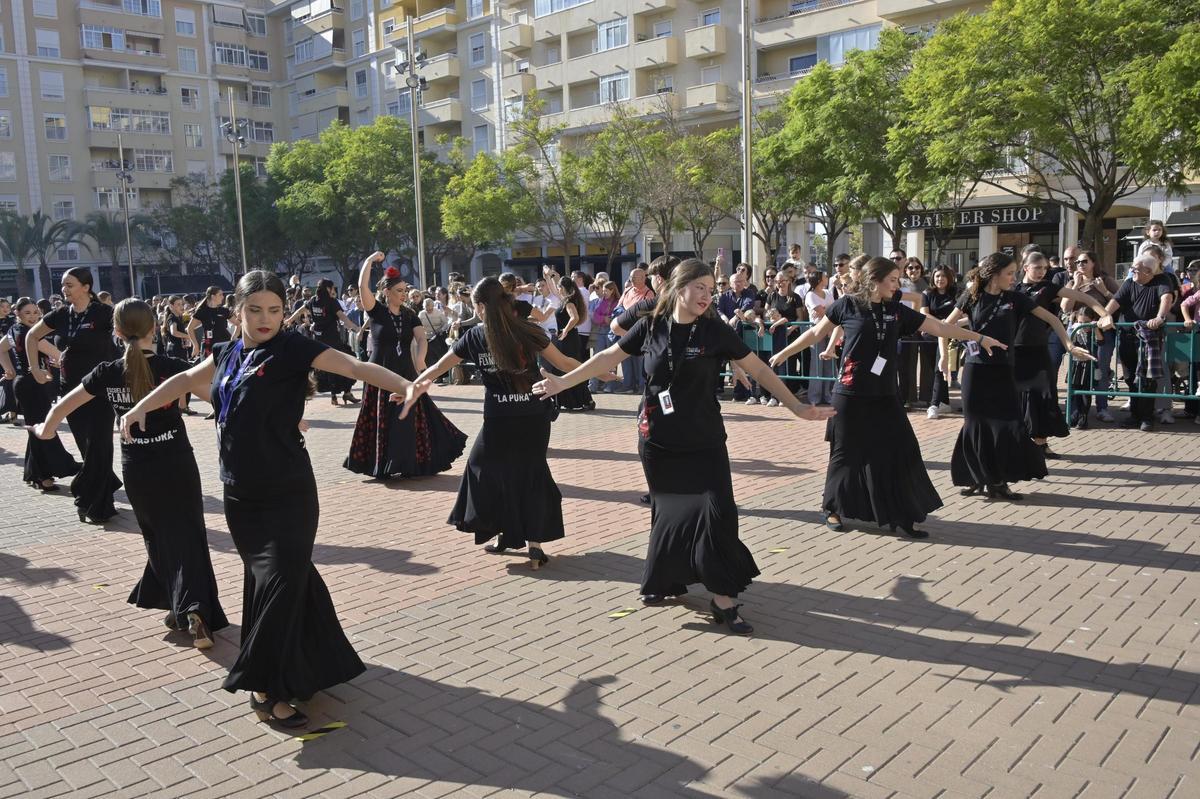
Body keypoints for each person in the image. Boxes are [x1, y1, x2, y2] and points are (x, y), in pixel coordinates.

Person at [120, 270, 429, 729]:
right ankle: (317, 661)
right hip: (241, 495)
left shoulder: (292, 348)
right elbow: (184, 378)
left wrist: (405, 384)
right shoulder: (225, 354)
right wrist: (139, 406)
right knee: (279, 581)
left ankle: (265, 684)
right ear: (236, 312)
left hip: (288, 492)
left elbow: (356, 367)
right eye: (255, 309)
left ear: (285, 312)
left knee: (281, 580)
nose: (266, 319)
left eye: (275, 310)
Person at [534, 259, 835, 634]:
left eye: (712, 290)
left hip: (705, 439)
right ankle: (667, 580)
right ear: (679, 288)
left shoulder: (713, 331)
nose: (708, 296)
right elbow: (607, 357)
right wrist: (564, 383)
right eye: (700, 289)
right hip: (658, 440)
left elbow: (757, 368)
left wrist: (797, 406)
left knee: (719, 512)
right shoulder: (650, 326)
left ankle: (724, 599)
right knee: (670, 513)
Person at [32, 299, 228, 650]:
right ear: (154, 328)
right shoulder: (171, 367)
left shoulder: (107, 371)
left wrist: (43, 431)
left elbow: (62, 407)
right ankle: (194, 609)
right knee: (188, 534)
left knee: (156, 537)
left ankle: (183, 605)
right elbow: (220, 399)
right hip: (176, 462)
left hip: (137, 468)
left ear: (117, 332)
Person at [771, 257, 1006, 538]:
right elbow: (815, 332)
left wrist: (978, 337)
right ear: (874, 281)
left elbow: (940, 327)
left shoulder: (897, 311)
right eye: (893, 280)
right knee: (845, 454)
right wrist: (785, 353)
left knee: (902, 450)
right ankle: (832, 507)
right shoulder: (847, 304)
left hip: (884, 394)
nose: (897, 286)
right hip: (849, 393)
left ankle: (901, 514)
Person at [415, 277, 595, 568]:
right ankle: (525, 541)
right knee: (529, 473)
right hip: (532, 416)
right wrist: (599, 369)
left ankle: (512, 535)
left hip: (501, 417)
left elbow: (437, 368)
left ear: (482, 306)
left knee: (489, 472)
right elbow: (563, 363)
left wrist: (412, 387)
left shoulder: (476, 336)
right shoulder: (526, 330)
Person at [942, 253, 1096, 500]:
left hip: (1003, 370)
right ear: (994, 274)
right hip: (975, 369)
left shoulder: (1016, 299)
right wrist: (942, 356)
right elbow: (945, 327)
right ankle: (976, 478)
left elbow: (1053, 318)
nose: (1014, 278)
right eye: (1010, 273)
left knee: (1008, 424)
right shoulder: (971, 296)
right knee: (975, 424)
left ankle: (999, 481)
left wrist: (1068, 345)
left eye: (1015, 273)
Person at [345, 254, 466, 479]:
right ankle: (383, 465)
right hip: (379, 372)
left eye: (404, 290)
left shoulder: (410, 315)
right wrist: (370, 261)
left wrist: (420, 358)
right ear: (387, 291)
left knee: (408, 417)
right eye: (399, 290)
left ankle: (408, 462)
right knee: (382, 418)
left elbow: (421, 339)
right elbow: (363, 285)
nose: (403, 294)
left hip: (405, 371)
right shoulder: (376, 311)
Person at [25, 267, 122, 523]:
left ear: (86, 287)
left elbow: (130, 334)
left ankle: (91, 501)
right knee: (87, 448)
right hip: (70, 391)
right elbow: (31, 336)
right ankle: (101, 491)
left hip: (100, 390)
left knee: (100, 446)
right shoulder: (60, 315)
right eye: (63, 284)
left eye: (69, 284)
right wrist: (35, 369)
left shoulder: (104, 313)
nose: (64, 289)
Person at [1013, 252, 1113, 457]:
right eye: (1037, 267)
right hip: (1015, 350)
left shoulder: (1048, 288)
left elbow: (1083, 297)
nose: (1041, 272)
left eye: (1044, 268)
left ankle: (1041, 444)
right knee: (1018, 399)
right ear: (1025, 268)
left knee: (1043, 396)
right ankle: (1018, 444)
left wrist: (1105, 314)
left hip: (1039, 348)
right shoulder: (1013, 289)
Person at [0, 298, 79, 491]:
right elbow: (61, 355)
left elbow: (1, 349)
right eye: (27, 313)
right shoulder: (30, 334)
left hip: (27, 383)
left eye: (36, 312)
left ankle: (33, 473)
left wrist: (10, 370)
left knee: (37, 428)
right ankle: (44, 475)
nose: (33, 316)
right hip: (32, 385)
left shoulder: (13, 330)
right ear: (17, 314)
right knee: (42, 428)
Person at [1102, 254, 1175, 432]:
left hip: (1149, 338)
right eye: (1132, 268)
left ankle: (1147, 417)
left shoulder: (1162, 280)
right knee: (1129, 377)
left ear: (1149, 272)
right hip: (1127, 336)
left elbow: (1166, 298)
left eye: (1135, 269)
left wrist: (1159, 317)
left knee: (1148, 378)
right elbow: (1115, 301)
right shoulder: (1129, 283)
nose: (1131, 271)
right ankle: (1134, 415)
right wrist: (1105, 315)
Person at [1058, 251, 1121, 427]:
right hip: (1079, 334)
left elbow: (1119, 302)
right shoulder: (1072, 282)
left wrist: (1104, 291)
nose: (1080, 264)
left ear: (1094, 263)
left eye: (1084, 261)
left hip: (1102, 332)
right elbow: (1065, 308)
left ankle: (1102, 408)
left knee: (1100, 368)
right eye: (1077, 262)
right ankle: (1078, 410)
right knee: (1080, 371)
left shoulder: (1105, 280)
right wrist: (1076, 286)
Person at [286, 279, 362, 406]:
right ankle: (346, 392)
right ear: (328, 289)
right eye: (332, 288)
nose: (333, 291)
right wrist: (357, 328)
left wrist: (289, 320)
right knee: (348, 361)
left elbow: (299, 311)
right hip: (333, 340)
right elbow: (343, 318)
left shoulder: (313, 301)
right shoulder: (331, 302)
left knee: (328, 367)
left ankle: (334, 395)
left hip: (319, 341)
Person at [551, 275, 595, 411]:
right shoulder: (564, 300)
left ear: (562, 288)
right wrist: (550, 275)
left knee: (571, 368)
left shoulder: (569, 302)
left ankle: (585, 400)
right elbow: (552, 289)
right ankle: (566, 401)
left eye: (559, 287)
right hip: (564, 339)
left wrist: (565, 331)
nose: (557, 290)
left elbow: (574, 317)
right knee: (562, 369)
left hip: (569, 340)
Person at [921, 266, 960, 419]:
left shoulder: (956, 293)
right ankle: (944, 402)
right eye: (937, 276)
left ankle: (934, 405)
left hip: (949, 336)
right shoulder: (928, 294)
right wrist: (941, 323)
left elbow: (961, 312)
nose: (940, 279)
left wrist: (947, 325)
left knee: (940, 369)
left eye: (943, 276)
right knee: (936, 370)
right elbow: (924, 313)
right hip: (930, 335)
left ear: (949, 278)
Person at [803, 271, 834, 406]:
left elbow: (833, 311)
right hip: (817, 332)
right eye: (825, 277)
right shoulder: (810, 295)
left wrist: (831, 328)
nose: (827, 278)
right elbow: (821, 313)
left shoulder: (828, 293)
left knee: (829, 364)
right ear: (819, 280)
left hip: (830, 331)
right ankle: (814, 397)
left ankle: (828, 395)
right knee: (817, 365)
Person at [187, 287, 233, 360]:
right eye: (220, 295)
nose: (223, 297)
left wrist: (233, 338)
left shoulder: (224, 310)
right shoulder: (202, 311)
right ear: (213, 296)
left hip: (225, 344)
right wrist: (195, 345)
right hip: (209, 345)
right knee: (209, 370)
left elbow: (238, 324)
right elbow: (190, 328)